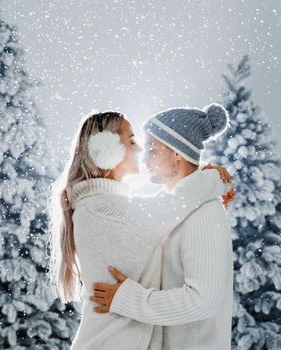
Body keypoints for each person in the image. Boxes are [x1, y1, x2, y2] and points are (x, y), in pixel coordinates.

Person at [48, 106, 234, 350]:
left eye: (151, 149)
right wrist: (213, 179)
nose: (141, 154)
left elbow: (201, 301)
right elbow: (169, 205)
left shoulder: (197, 213)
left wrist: (205, 182)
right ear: (105, 150)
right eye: (133, 142)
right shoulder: (101, 209)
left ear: (176, 153)